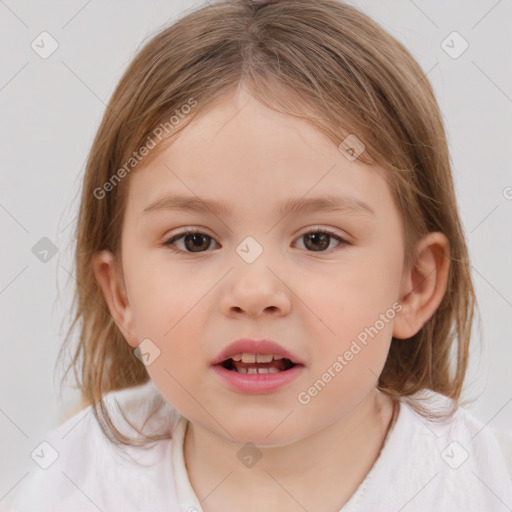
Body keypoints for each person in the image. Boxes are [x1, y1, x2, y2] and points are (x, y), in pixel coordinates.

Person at [3, 0, 512, 511]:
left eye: (318, 239)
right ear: (121, 295)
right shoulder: (81, 480)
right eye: (194, 241)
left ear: (414, 286)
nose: (254, 293)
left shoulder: (469, 483)